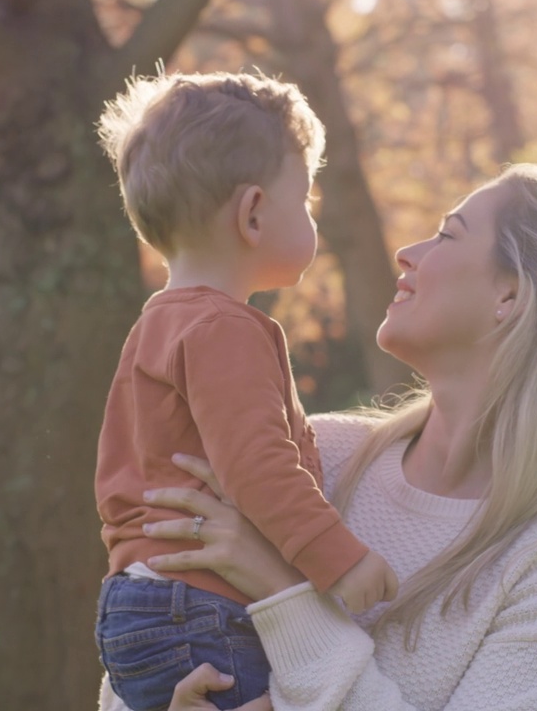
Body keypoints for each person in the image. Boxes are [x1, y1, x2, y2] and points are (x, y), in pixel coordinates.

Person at [101, 163, 537, 711]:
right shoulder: (313, 461)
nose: (406, 253)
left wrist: (286, 593)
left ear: (511, 294)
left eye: (447, 234)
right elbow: (148, 641)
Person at [93, 72, 399, 711]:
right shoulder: (226, 328)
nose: (313, 214)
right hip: (200, 606)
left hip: (143, 600)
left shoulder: (159, 323)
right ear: (254, 213)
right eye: (306, 198)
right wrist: (339, 561)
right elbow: (257, 466)